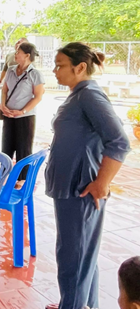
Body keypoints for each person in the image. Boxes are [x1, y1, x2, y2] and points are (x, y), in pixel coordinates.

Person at [45, 43, 129, 309]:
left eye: (60, 65)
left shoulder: (89, 95)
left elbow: (119, 141)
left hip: (80, 191)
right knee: (81, 260)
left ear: (80, 67)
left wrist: (102, 183)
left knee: (74, 262)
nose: (55, 71)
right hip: (69, 190)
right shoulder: (78, 94)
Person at [0, 42, 45, 184]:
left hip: (25, 117)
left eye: (18, 52)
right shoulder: (11, 70)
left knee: (23, 148)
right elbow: (4, 90)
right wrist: (3, 105)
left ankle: (22, 180)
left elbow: (38, 96)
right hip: (9, 115)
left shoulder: (35, 74)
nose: (16, 54)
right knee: (6, 146)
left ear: (27, 55)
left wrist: (22, 111)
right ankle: (3, 176)